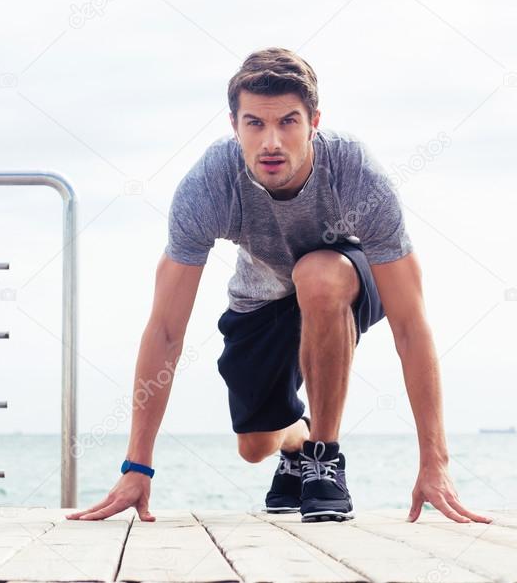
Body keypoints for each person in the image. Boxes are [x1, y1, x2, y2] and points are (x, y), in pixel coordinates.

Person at [67, 47, 489, 524]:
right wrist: (136, 467)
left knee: (318, 274)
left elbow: (412, 326)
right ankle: (298, 440)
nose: (271, 141)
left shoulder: (357, 175)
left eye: (288, 122)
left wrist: (435, 463)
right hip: (261, 296)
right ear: (234, 125)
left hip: (343, 278)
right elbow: (165, 329)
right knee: (254, 446)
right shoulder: (208, 186)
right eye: (255, 124)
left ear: (314, 122)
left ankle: (323, 458)